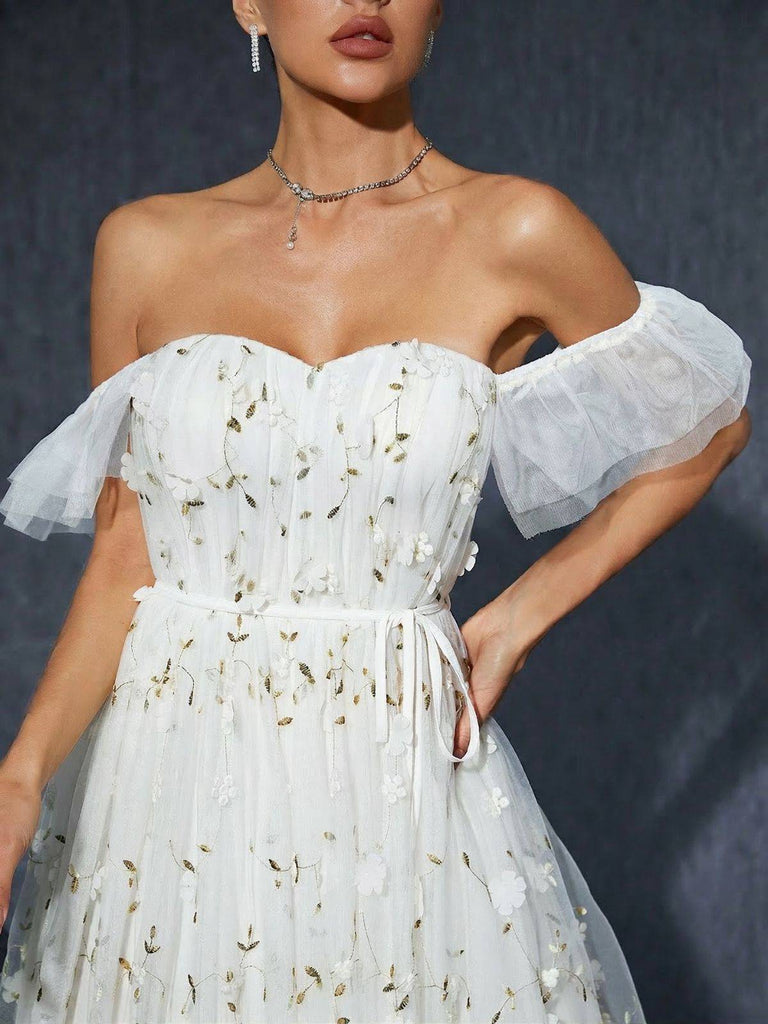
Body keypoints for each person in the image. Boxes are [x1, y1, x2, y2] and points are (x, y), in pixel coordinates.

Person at [0, 2, 752, 1022]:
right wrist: (23, 770)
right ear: (249, 4)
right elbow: (126, 549)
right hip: (165, 794)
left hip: (397, 785)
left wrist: (520, 614)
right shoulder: (145, 245)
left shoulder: (514, 228)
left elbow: (707, 423)